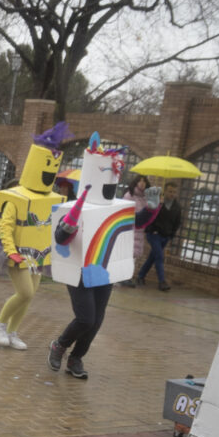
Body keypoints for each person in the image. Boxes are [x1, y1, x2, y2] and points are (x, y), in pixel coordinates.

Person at [46, 134, 132, 380]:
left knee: (96, 322)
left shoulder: (116, 206)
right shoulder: (75, 206)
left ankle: (76, 358)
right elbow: (60, 239)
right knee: (86, 318)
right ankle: (60, 346)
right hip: (79, 270)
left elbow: (131, 226)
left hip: (103, 270)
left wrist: (152, 209)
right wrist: (69, 227)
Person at [0, 122, 69, 350]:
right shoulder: (15, 199)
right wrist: (11, 250)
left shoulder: (50, 199)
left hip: (38, 255)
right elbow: (6, 226)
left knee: (29, 296)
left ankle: (12, 332)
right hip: (18, 254)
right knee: (25, 292)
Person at [135, 181, 181, 290]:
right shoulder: (159, 203)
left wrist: (171, 235)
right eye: (170, 191)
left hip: (165, 236)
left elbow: (177, 222)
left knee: (153, 257)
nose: (172, 194)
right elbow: (150, 217)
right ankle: (162, 282)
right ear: (165, 191)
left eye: (174, 192)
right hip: (154, 234)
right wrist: (152, 229)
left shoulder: (177, 206)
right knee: (159, 257)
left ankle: (140, 276)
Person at [119, 173, 159, 287]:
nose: (142, 183)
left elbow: (148, 216)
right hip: (129, 229)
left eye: (144, 181)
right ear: (135, 183)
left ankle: (127, 277)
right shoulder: (129, 195)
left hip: (139, 230)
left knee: (134, 255)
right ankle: (123, 277)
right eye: (140, 181)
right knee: (128, 254)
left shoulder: (145, 198)